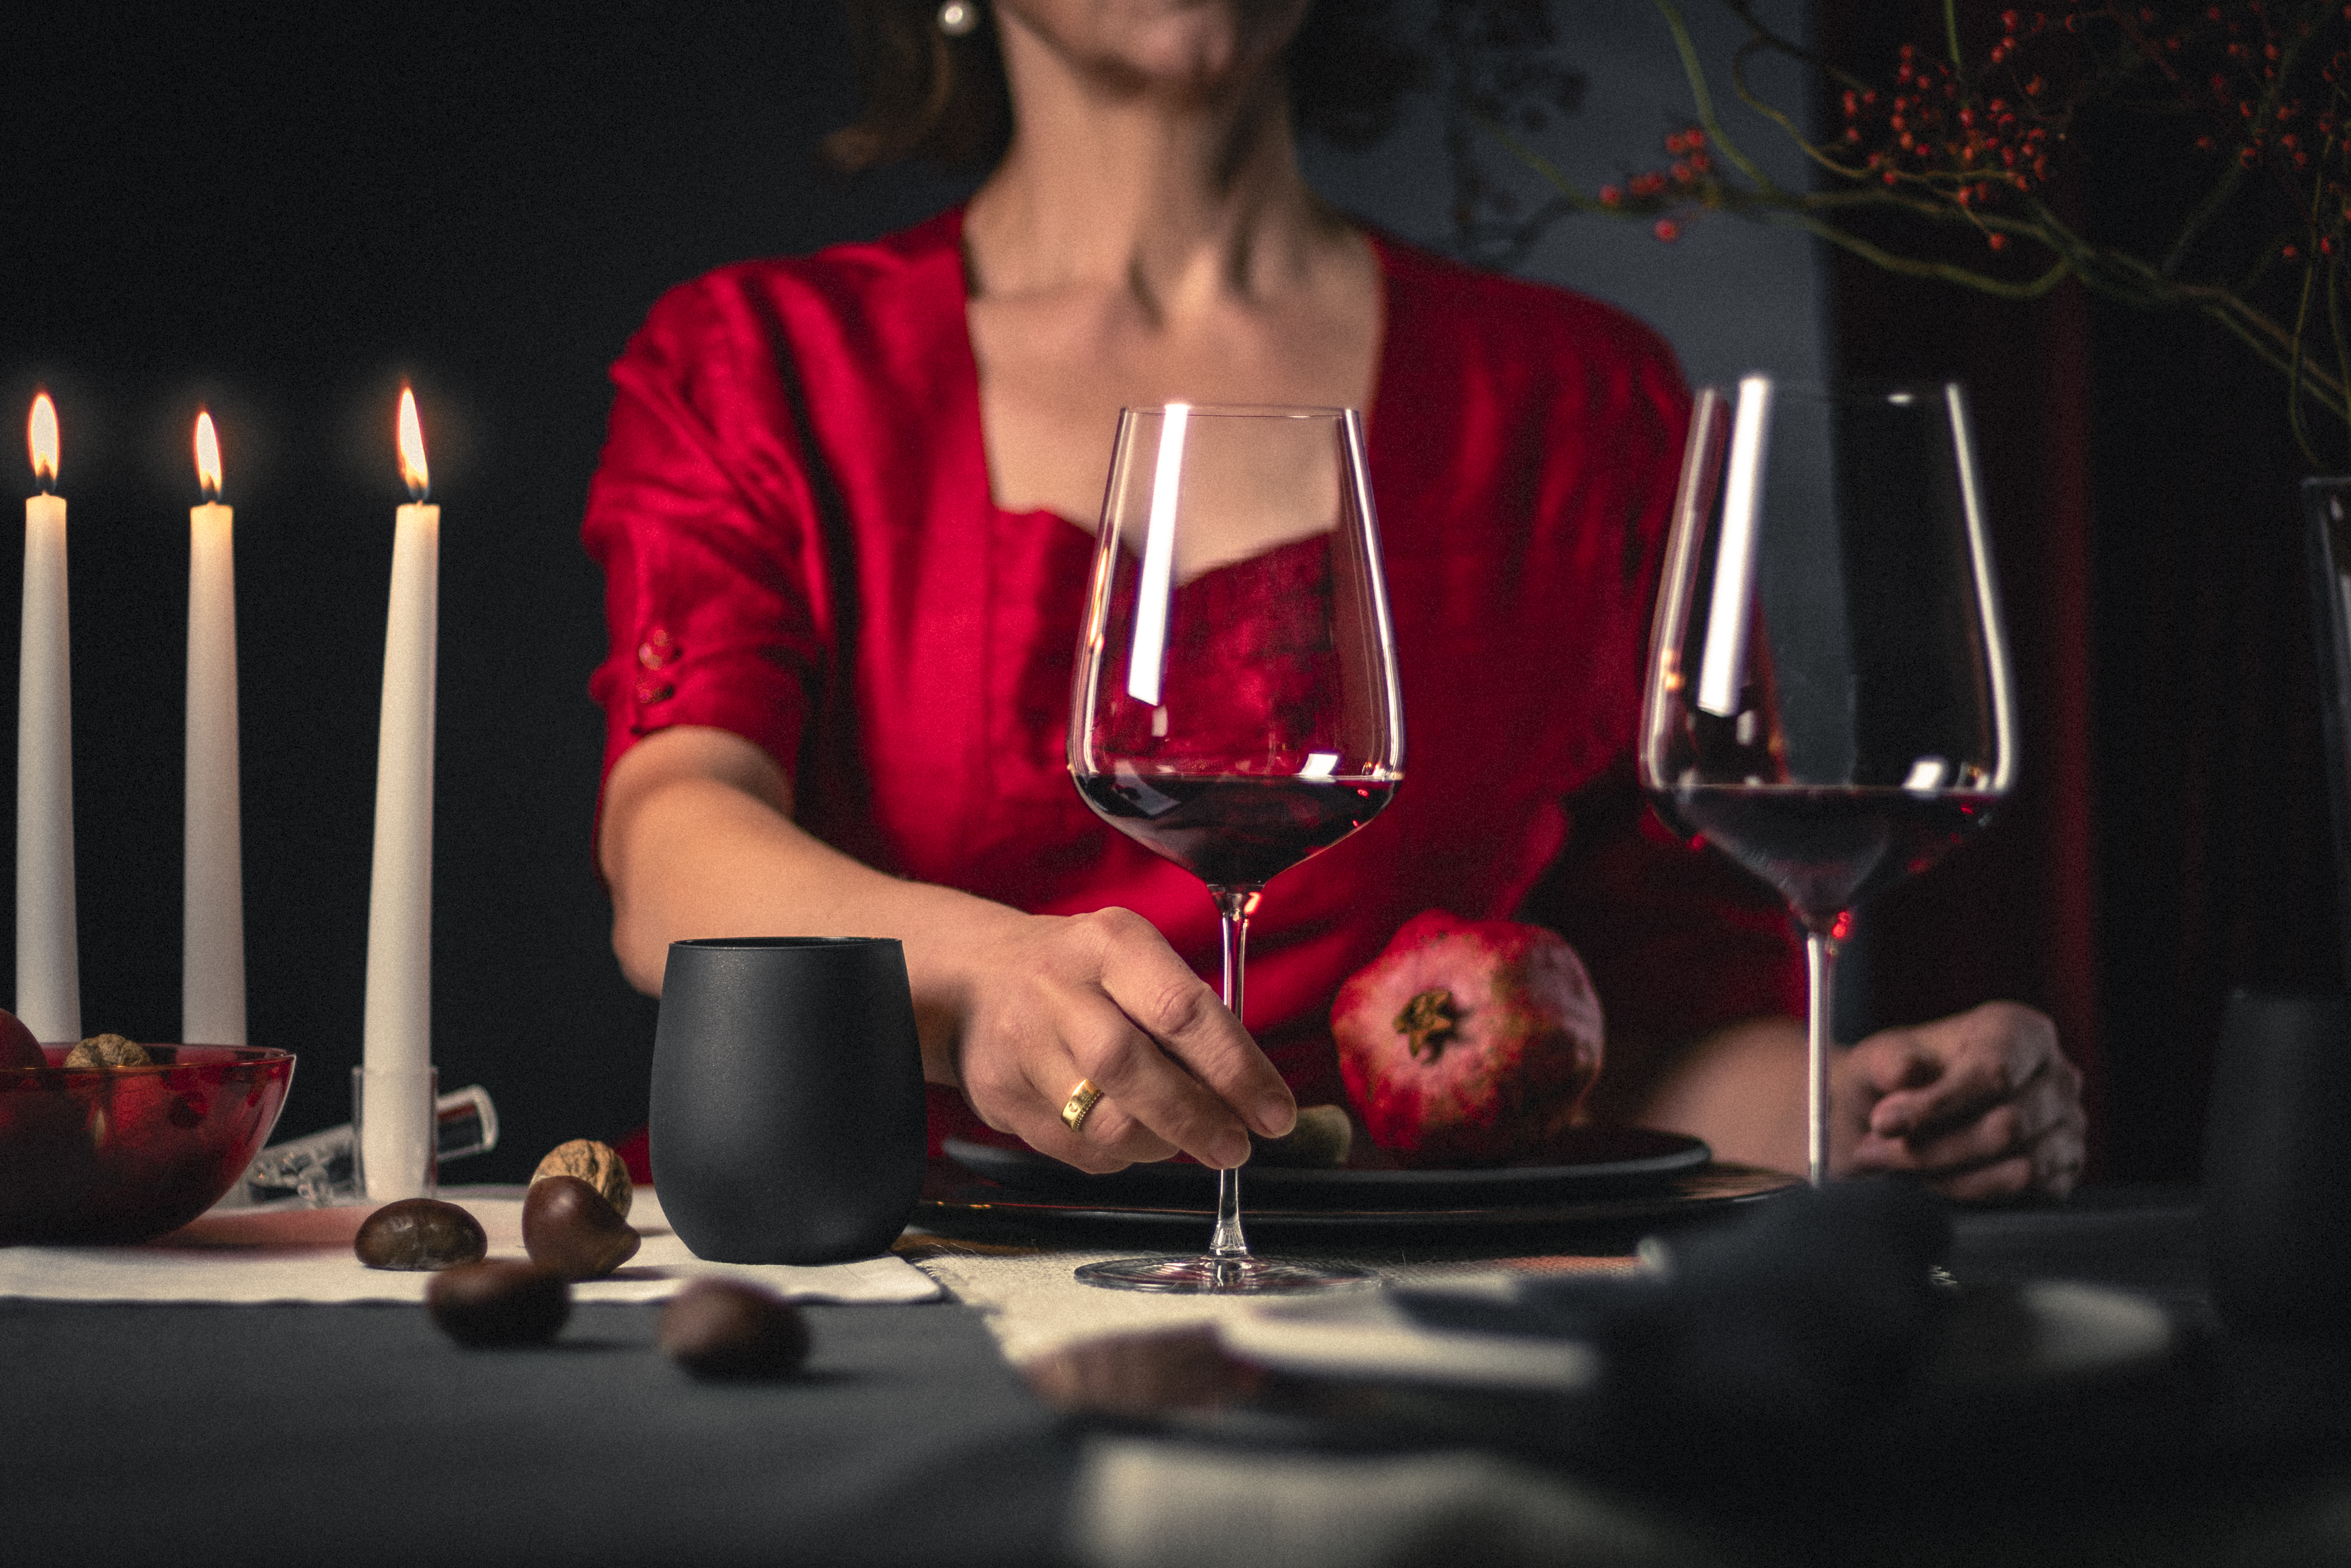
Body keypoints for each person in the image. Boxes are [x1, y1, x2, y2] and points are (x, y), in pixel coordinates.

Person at [585, 0, 2085, 1200]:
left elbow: (1665, 1023)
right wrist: (975, 974)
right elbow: (673, 852)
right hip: (892, 1259)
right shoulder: (762, 365)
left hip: (1418, 1295)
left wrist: (1867, 1117)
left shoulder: (1576, 402)